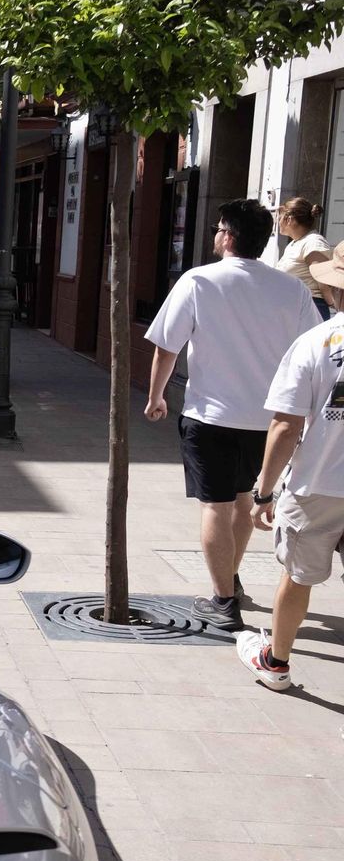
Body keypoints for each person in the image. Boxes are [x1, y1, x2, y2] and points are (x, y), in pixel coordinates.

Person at [143, 198, 321, 630]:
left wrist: (156, 396)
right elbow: (312, 350)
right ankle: (231, 582)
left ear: (227, 235)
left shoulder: (199, 281)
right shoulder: (290, 289)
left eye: (218, 229)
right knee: (244, 501)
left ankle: (223, 600)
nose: (216, 236)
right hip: (268, 421)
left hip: (211, 415)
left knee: (216, 507)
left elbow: (168, 345)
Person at [234, 242, 344, 689]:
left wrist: (263, 491)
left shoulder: (317, 341)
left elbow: (284, 425)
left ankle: (276, 663)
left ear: (333, 290)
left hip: (317, 482)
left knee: (297, 577)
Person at [275, 197, 332, 321]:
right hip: (294, 307)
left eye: (279, 217)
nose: (277, 222)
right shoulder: (294, 243)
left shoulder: (313, 242)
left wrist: (335, 306)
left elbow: (323, 280)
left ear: (289, 220)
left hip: (311, 308)